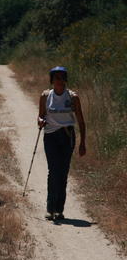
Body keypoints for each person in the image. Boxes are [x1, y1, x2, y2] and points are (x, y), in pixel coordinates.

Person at [38, 66, 86, 221]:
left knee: (63, 172)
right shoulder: (45, 96)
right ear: (52, 80)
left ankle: (59, 209)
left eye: (62, 77)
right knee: (53, 171)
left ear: (65, 79)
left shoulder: (73, 97)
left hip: (67, 136)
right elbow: (40, 117)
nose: (59, 80)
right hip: (50, 136)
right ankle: (50, 208)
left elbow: (80, 120)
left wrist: (82, 143)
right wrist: (41, 121)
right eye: (56, 77)